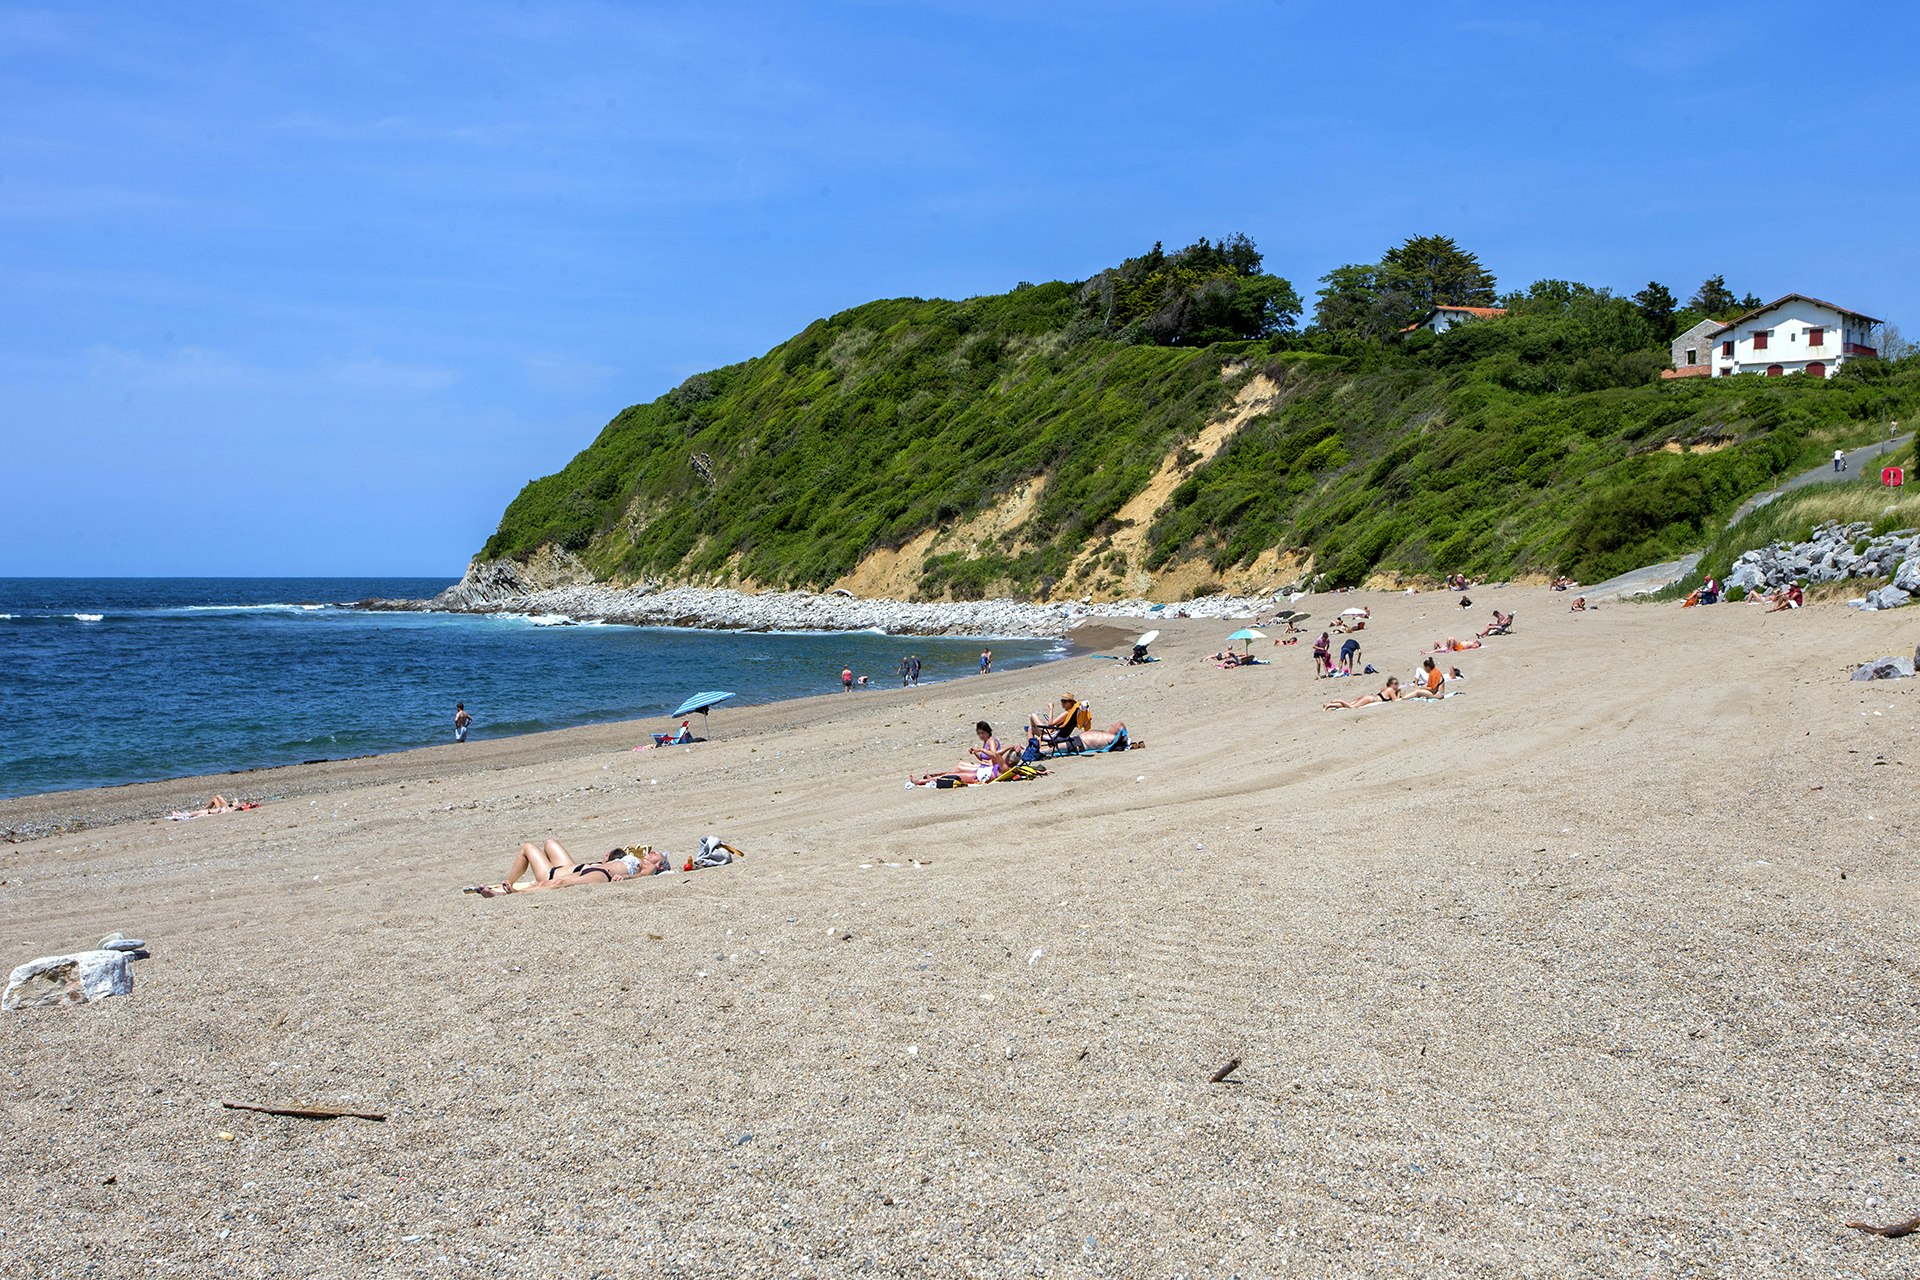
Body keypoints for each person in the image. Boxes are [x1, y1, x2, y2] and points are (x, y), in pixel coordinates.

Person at [465, 841, 667, 897]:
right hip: (587, 868)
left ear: (660, 864)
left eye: (656, 854)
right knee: (544, 844)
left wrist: (624, 881)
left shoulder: (649, 870)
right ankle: (510, 883)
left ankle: (512, 891)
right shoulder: (638, 857)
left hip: (603, 874)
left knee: (561, 883)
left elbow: (640, 877)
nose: (651, 852)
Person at [910, 720, 1016, 786]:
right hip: (982, 772)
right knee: (955, 772)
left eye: (982, 733)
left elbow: (995, 754)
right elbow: (989, 756)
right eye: (979, 734)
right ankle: (932, 777)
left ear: (988, 731)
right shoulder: (987, 743)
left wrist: (1010, 746)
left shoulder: (992, 741)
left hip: (982, 772)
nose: (981, 736)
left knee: (956, 772)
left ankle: (923, 781)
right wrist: (975, 752)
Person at [1323, 676, 1402, 710]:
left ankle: (1329, 705)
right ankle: (1339, 700)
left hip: (1369, 697)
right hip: (1370, 699)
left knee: (1348, 704)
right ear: (1391, 684)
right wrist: (1399, 691)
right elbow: (1395, 700)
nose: (1396, 685)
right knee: (1352, 707)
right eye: (1395, 684)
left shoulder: (1385, 688)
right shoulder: (1391, 690)